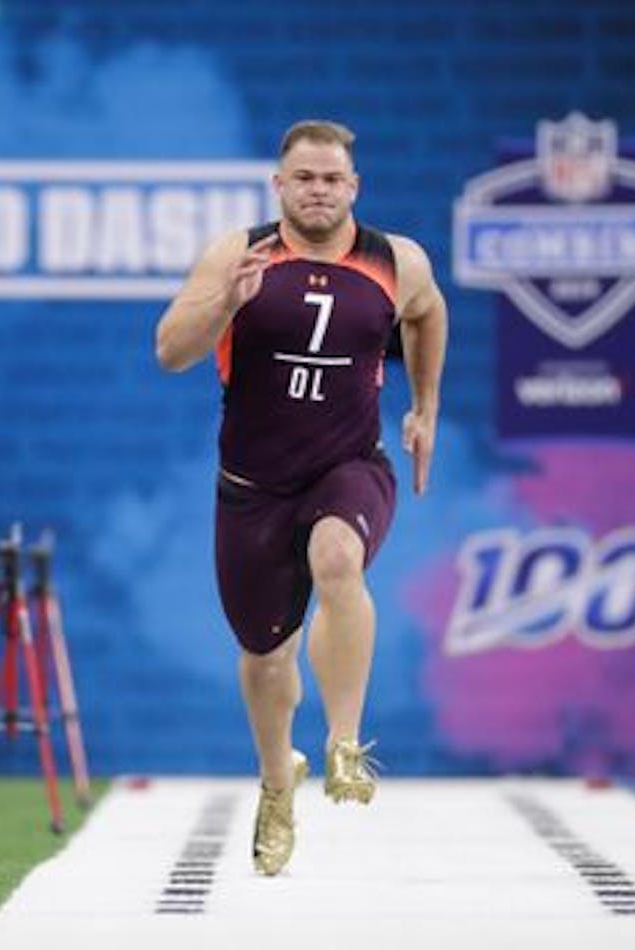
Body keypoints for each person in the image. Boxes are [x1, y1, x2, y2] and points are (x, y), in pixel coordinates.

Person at [154, 119, 448, 876]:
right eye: (304, 178)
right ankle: (277, 783)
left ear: (354, 186)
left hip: (349, 466)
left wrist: (424, 405)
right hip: (253, 487)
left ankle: (345, 744)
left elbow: (428, 312)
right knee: (263, 658)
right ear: (279, 185)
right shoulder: (240, 252)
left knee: (338, 558)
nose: (319, 191)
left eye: (332, 179)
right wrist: (226, 300)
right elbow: (170, 352)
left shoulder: (397, 261)